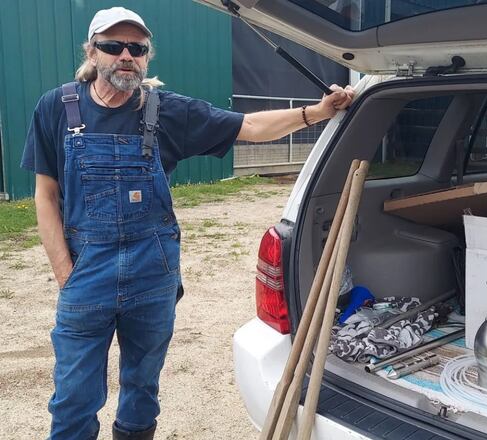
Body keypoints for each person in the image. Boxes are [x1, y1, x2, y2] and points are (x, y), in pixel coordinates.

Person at [20, 7, 354, 440]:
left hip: (151, 275)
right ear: (92, 52)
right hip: (86, 275)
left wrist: (318, 112)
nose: (126, 55)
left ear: (147, 56)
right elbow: (45, 195)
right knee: (73, 397)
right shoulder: (57, 107)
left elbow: (251, 126)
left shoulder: (167, 111)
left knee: (142, 388)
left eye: (137, 48)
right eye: (113, 46)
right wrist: (65, 273)